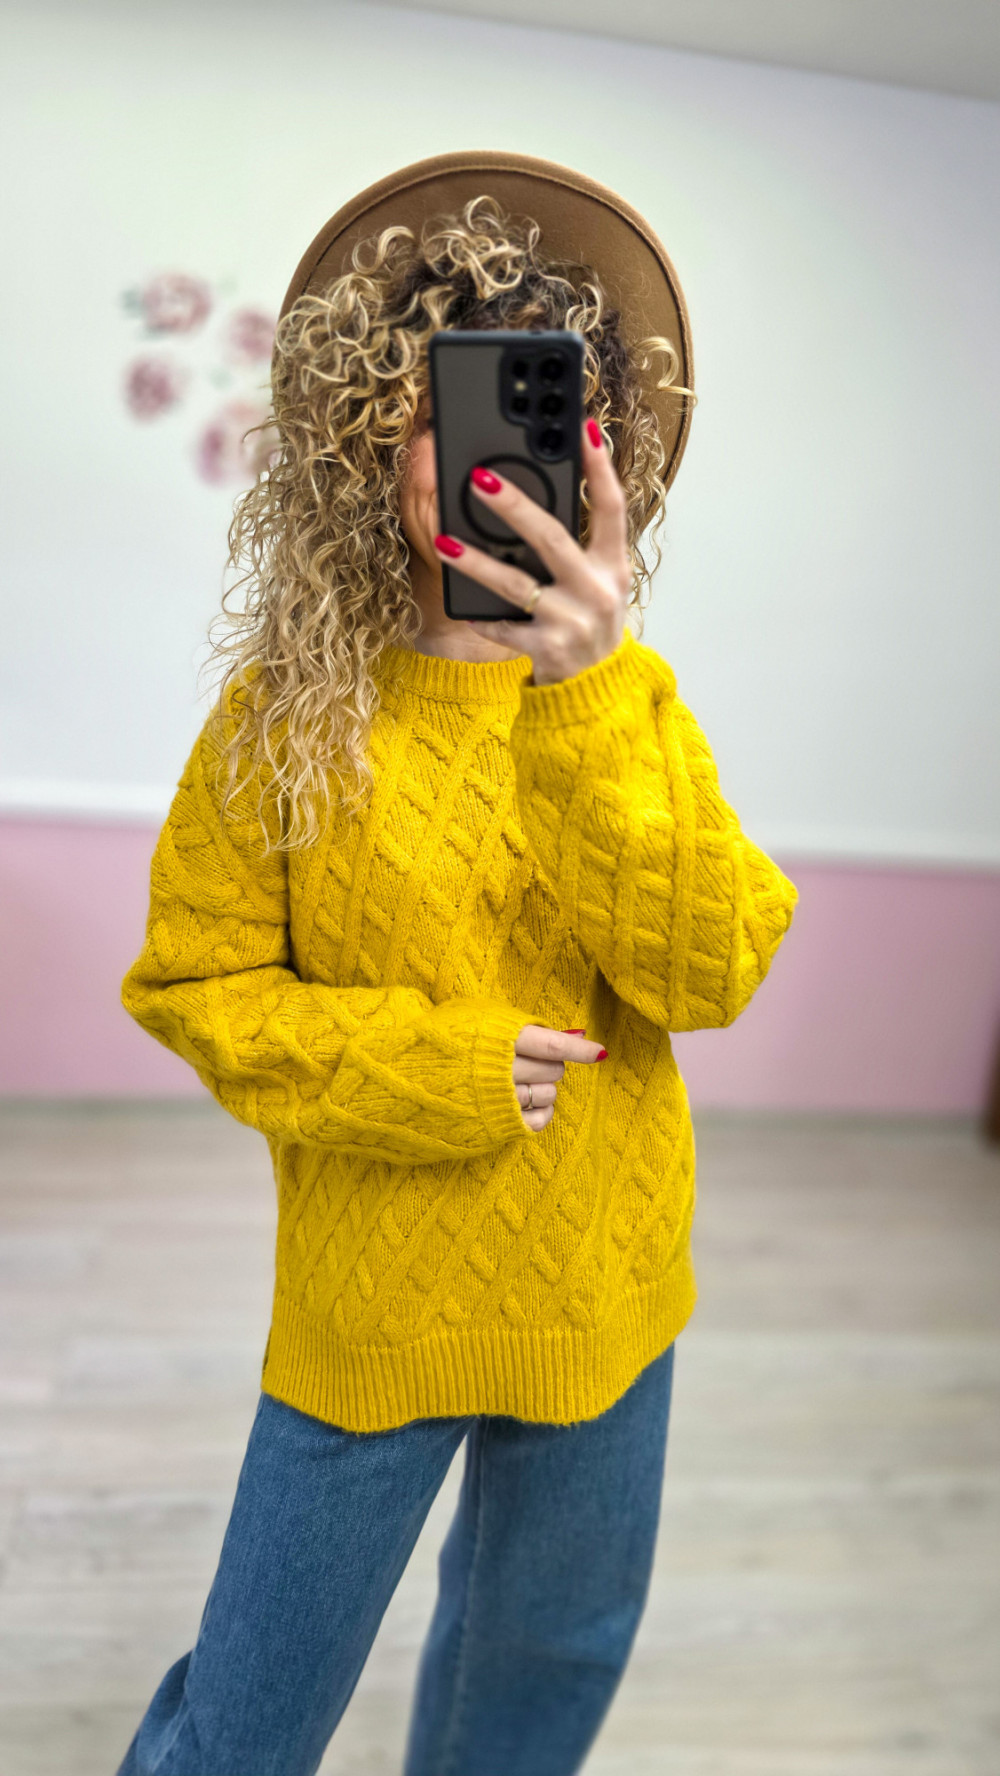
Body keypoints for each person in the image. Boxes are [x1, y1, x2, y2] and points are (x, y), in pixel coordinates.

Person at [115, 150, 797, 1776]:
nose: (501, 457)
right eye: (455, 409)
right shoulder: (287, 714)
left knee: (539, 1680)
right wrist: (440, 1071)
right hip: (373, 1304)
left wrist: (586, 695)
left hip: (603, 1285)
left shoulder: (632, 700)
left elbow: (711, 973)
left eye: (548, 413)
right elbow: (196, 988)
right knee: (247, 1720)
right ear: (377, 438)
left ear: (598, 452)